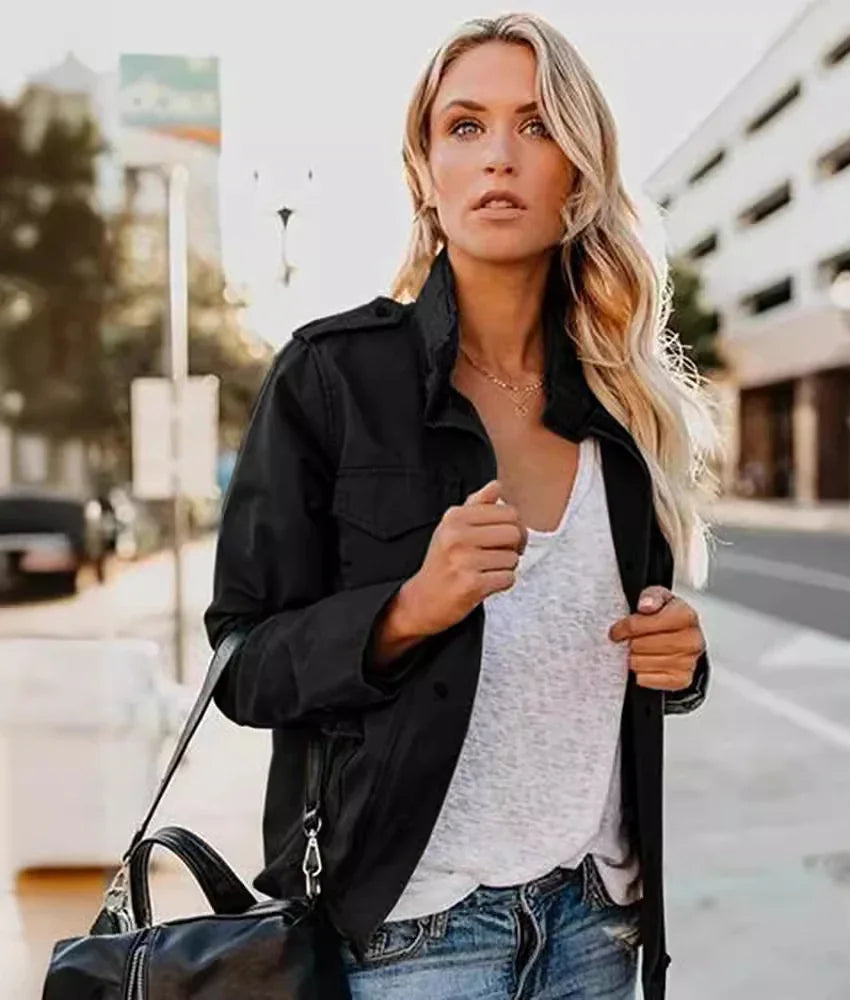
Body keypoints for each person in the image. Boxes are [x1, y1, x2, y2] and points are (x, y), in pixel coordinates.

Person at [205, 13, 718, 1000]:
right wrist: (404, 611)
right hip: (410, 934)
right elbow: (241, 664)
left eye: (534, 126)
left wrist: (680, 662)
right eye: (465, 126)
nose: (499, 158)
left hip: (596, 919)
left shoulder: (624, 402)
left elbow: (614, 663)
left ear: (579, 166)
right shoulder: (332, 377)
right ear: (423, 168)